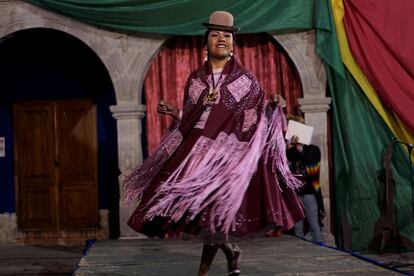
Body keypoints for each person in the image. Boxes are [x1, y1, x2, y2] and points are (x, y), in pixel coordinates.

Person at [123, 11, 305, 276]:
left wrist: (273, 108)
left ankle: (206, 270)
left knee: (213, 215)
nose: (222, 39)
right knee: (197, 211)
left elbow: (254, 119)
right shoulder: (196, 79)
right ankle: (230, 253)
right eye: (216, 34)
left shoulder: (245, 80)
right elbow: (192, 116)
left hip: (225, 155)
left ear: (233, 43)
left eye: (227, 35)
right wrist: (177, 113)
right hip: (194, 151)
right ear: (206, 42)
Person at [286, 115, 325, 243]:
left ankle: (321, 253)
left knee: (314, 226)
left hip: (309, 193)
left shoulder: (313, 150)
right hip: (294, 194)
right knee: (297, 228)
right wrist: (289, 147)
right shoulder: (289, 152)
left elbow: (310, 161)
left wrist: (300, 148)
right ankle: (300, 258)